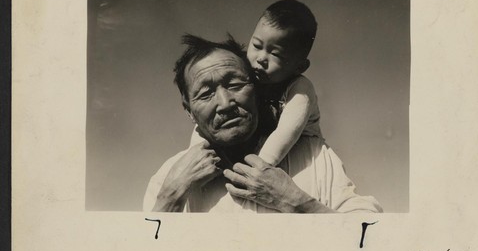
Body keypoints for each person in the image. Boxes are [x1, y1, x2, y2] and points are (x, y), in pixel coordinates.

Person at [143, 34, 382, 213]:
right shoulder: (168, 177)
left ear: (257, 91)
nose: (225, 103)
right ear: (189, 112)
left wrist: (295, 202)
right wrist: (171, 195)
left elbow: (370, 237)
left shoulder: (312, 154)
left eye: (235, 84)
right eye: (206, 94)